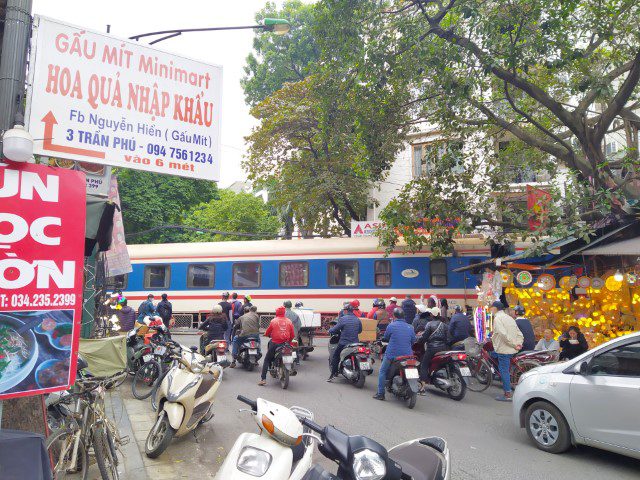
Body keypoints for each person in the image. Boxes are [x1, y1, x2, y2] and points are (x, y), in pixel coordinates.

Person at [373, 308, 416, 401]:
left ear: (394, 316)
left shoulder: (391, 326)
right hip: (408, 355)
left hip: (392, 354)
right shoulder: (410, 327)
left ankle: (380, 393)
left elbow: (386, 338)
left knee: (382, 371)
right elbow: (413, 341)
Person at [490, 301, 523, 402]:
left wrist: (513, 344)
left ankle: (507, 394)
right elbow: (519, 333)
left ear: (495, 308)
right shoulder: (509, 318)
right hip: (512, 349)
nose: (491, 310)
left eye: (491, 308)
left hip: (504, 349)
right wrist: (518, 344)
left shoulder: (498, 318)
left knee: (504, 371)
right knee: (505, 368)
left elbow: (503, 334)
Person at [259, 306, 295, 386]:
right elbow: (292, 335)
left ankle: (263, 379)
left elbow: (268, 332)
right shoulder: (289, 321)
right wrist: (288, 342)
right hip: (286, 344)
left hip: (275, 344)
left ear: (277, 312)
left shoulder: (273, 321)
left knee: (267, 360)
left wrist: (266, 334)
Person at [417, 308, 449, 395]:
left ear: (431, 315)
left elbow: (424, 337)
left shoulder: (429, 324)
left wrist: (419, 341)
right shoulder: (445, 325)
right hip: (443, 349)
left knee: (424, 364)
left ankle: (423, 387)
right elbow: (448, 339)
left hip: (432, 348)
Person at [327, 304, 363, 382]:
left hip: (344, 343)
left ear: (346, 311)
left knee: (336, 356)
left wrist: (330, 330)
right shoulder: (357, 319)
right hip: (356, 343)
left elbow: (335, 329)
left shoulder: (343, 319)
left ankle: (333, 374)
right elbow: (360, 331)